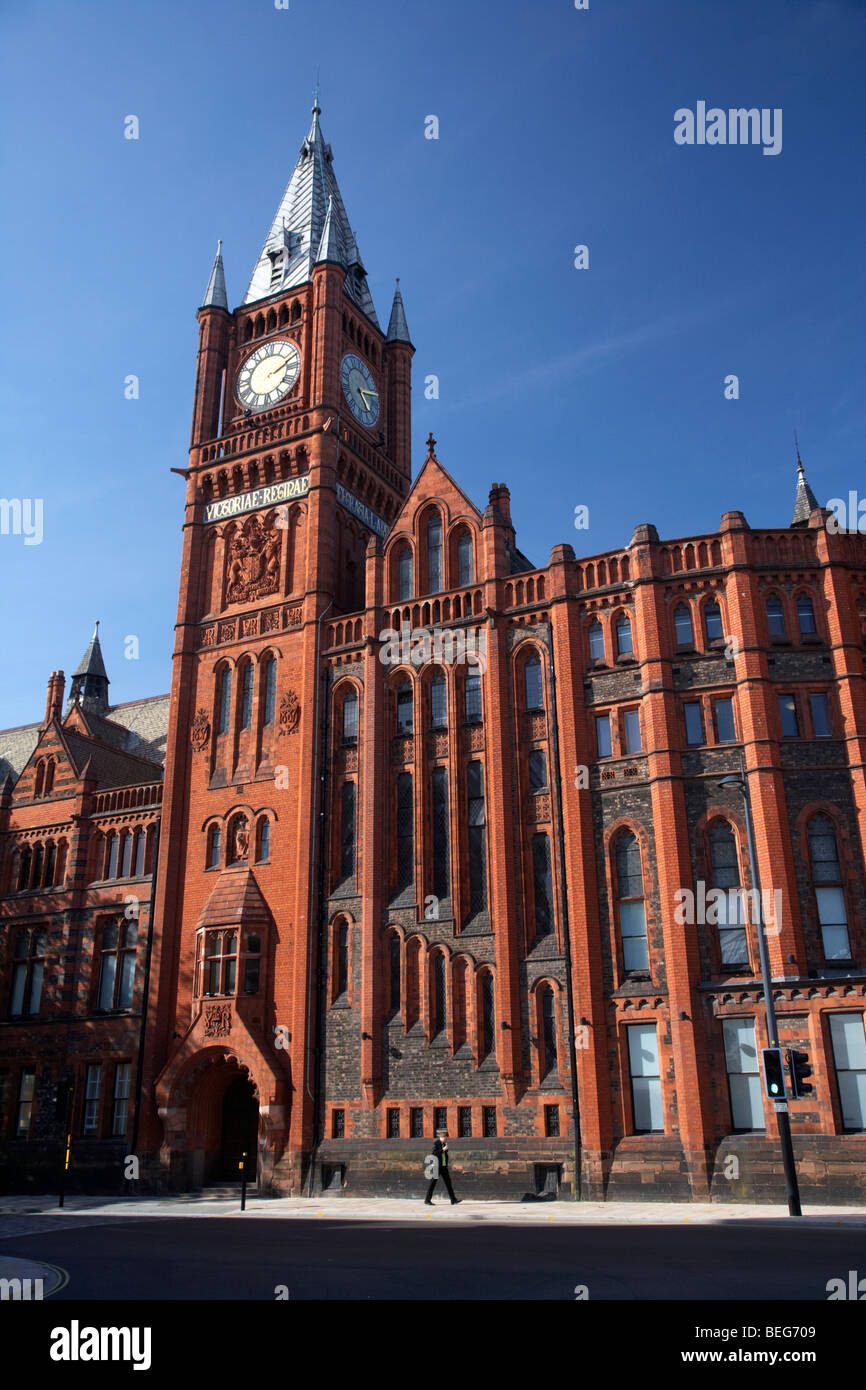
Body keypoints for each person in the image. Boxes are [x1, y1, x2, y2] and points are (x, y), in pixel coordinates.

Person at [424, 1128, 460, 1204]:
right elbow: (434, 1154)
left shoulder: (444, 1144)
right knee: (432, 1183)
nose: (446, 1139)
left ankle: (453, 1200)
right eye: (445, 1138)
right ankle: (427, 1200)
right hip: (436, 1167)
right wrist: (443, 1150)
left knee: (448, 1183)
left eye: (447, 1138)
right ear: (441, 1137)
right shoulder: (436, 1143)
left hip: (443, 1167)